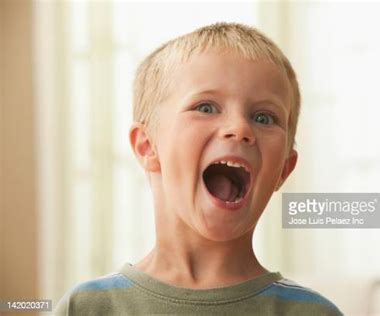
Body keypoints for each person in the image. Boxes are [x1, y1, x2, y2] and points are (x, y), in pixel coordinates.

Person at [55, 22, 343, 315]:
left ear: (284, 168)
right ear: (147, 146)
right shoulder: (85, 307)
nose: (240, 129)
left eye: (264, 118)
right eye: (206, 108)